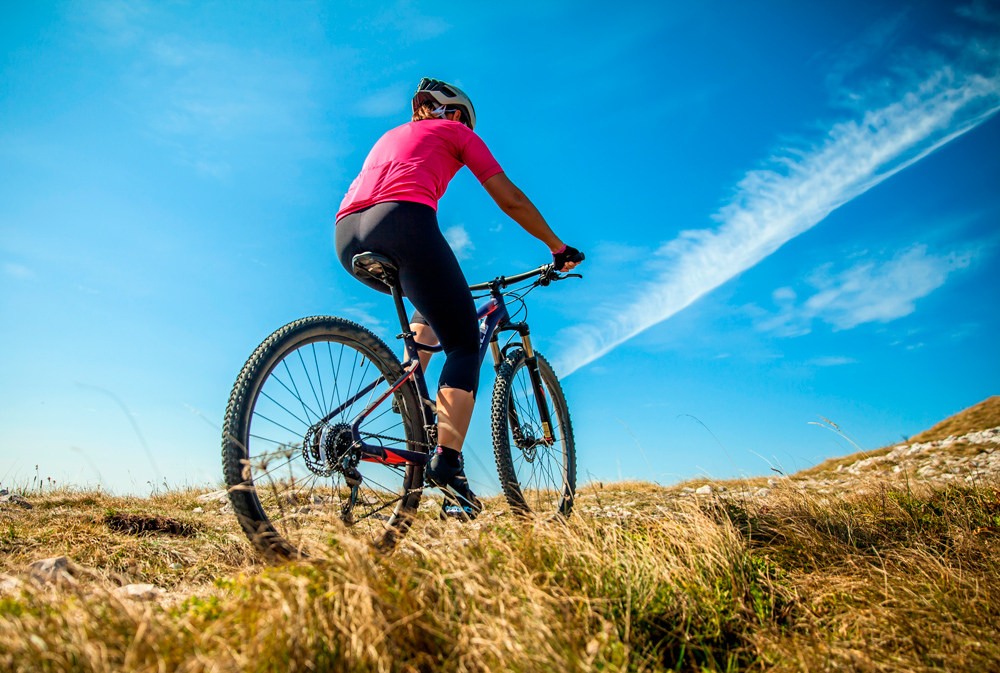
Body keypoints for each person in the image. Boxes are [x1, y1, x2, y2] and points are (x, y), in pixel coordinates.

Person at [335, 78, 583, 518]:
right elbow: (510, 198)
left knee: (431, 307)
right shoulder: (458, 133)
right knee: (466, 341)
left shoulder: (392, 135)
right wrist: (556, 247)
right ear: (458, 115)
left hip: (346, 233)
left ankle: (412, 388)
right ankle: (447, 463)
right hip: (401, 219)